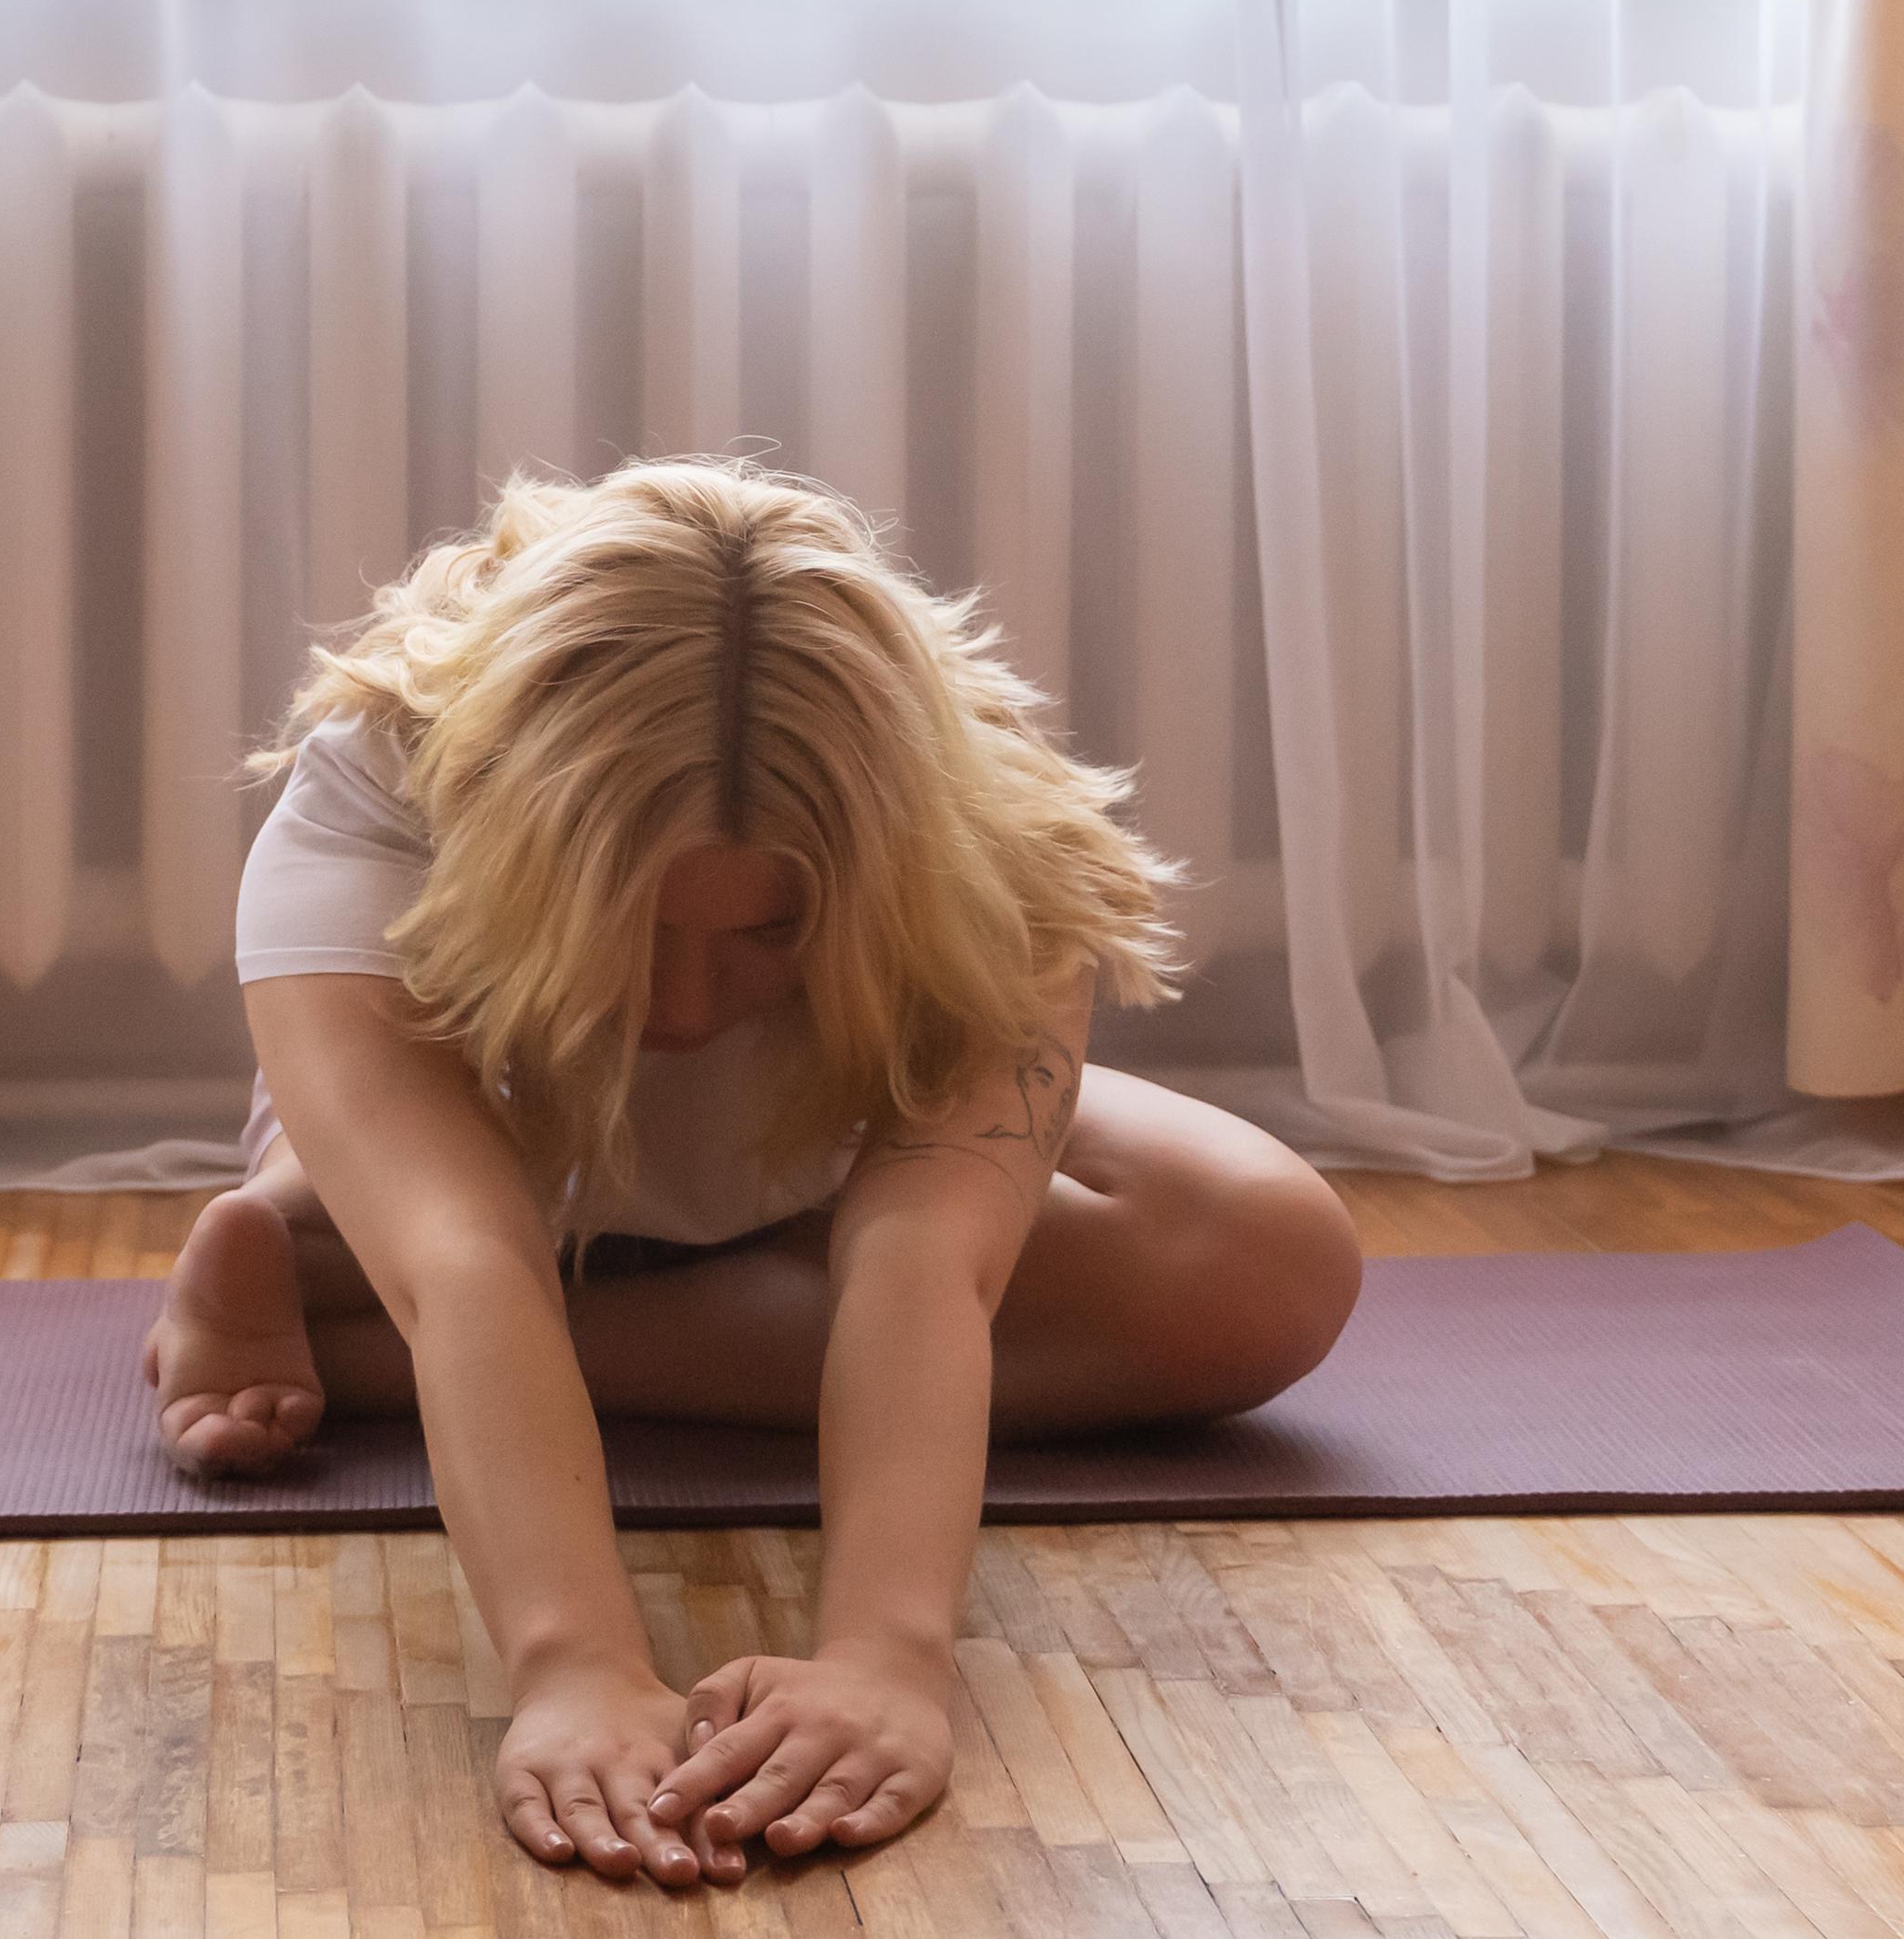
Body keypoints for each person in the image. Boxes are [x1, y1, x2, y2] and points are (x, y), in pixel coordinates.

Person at [136, 458, 1368, 1888]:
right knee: (468, 1264)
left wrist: (885, 1657)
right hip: (505, 1126)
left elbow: (924, 1257)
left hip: (801, 1144)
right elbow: (463, 1252)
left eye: (763, 934)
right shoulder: (376, 782)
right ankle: (324, 1232)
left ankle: (350, 1339)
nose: (682, 1005)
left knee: (1267, 1262)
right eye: (632, 927)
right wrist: (574, 1662)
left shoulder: (987, 829)